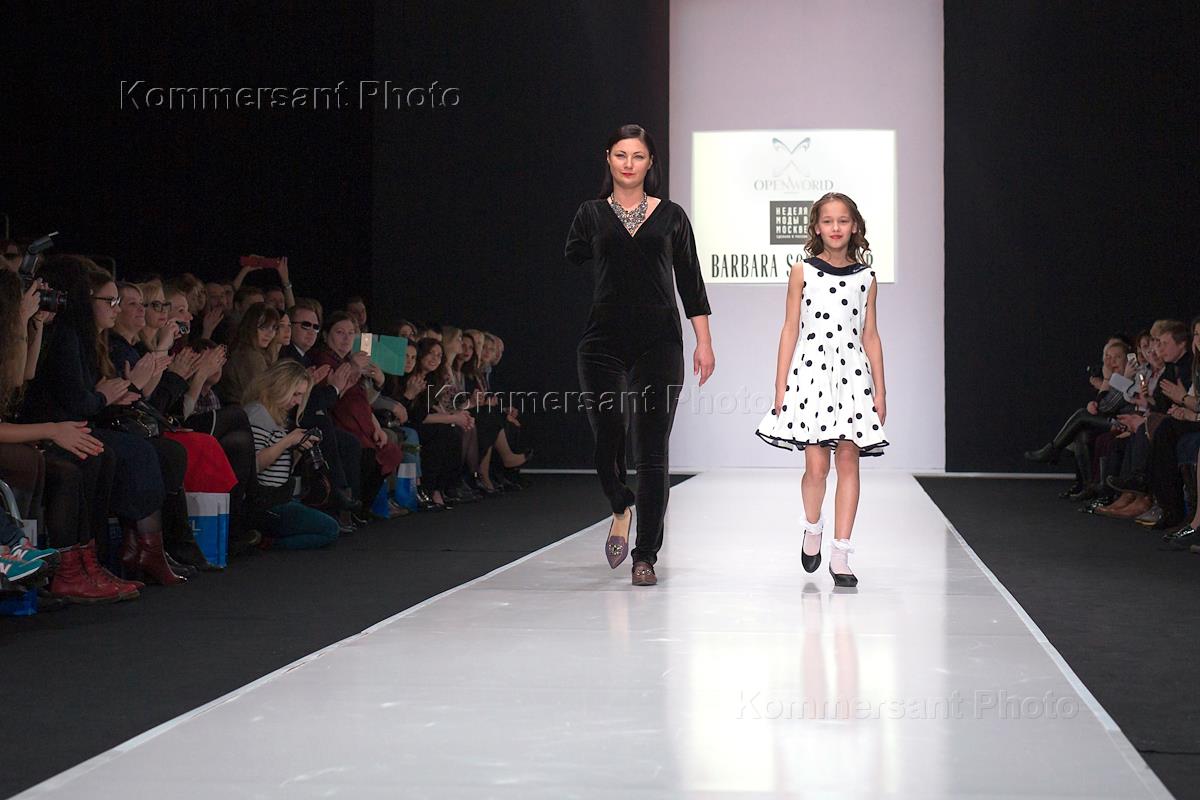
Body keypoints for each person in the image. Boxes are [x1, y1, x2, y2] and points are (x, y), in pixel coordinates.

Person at [564, 123, 715, 586]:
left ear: (651, 164)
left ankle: (645, 554)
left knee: (651, 449)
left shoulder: (672, 216)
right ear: (608, 158)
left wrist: (704, 341)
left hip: (659, 341)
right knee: (607, 435)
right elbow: (573, 256)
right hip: (602, 340)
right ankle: (619, 503)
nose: (629, 164)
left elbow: (690, 280)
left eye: (638, 156)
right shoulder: (590, 214)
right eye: (621, 155)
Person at [754, 192, 889, 587]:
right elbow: (789, 328)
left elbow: (871, 335)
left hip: (852, 375)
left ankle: (841, 553)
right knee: (816, 468)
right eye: (828, 221)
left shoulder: (867, 278)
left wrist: (881, 390)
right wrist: (780, 384)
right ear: (816, 227)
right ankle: (812, 526)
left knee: (849, 460)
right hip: (811, 373)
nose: (835, 228)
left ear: (854, 226)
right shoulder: (803, 271)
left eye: (843, 220)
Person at [242, 361, 339, 549]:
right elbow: (254, 464)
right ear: (280, 387)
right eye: (295, 394)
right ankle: (269, 543)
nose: (297, 401)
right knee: (330, 529)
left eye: (301, 395)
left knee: (327, 524)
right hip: (265, 502)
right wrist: (287, 441)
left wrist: (297, 449)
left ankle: (266, 540)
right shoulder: (258, 413)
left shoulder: (276, 415)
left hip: (279, 496)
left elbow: (279, 467)